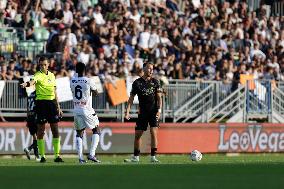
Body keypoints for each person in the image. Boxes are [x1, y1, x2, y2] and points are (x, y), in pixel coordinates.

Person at [20, 57, 63, 163]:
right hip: (41, 104)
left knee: (55, 130)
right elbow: (32, 82)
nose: (43, 66)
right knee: (41, 131)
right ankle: (42, 156)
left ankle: (57, 156)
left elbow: (55, 92)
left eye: (44, 64)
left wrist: (59, 107)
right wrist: (25, 84)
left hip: (52, 103)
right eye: (41, 65)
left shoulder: (52, 75)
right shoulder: (37, 75)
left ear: (48, 65)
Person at [124, 62, 163, 163]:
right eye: (149, 68)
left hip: (153, 111)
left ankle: (153, 157)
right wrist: (127, 112)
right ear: (144, 69)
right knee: (138, 135)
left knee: (153, 133)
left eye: (152, 69)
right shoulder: (137, 83)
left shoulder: (156, 82)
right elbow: (131, 99)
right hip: (142, 112)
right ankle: (136, 157)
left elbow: (159, 98)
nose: (151, 70)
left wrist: (159, 110)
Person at [70, 62, 101, 163]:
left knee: (79, 133)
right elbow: (96, 94)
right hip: (87, 109)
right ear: (85, 70)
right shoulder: (89, 80)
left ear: (76, 70)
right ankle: (91, 154)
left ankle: (80, 158)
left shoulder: (72, 81)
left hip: (76, 109)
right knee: (96, 129)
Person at [23, 91, 40, 161]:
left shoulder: (30, 94)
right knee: (39, 137)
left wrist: (27, 119)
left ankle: (37, 156)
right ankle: (29, 148)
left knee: (35, 137)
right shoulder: (38, 94)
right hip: (35, 116)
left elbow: (27, 108)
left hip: (29, 116)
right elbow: (38, 107)